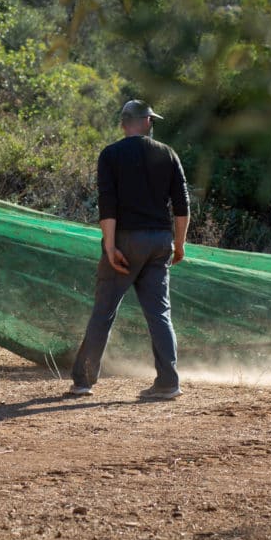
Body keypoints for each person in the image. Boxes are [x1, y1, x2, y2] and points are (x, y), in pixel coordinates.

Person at [69, 100, 190, 400]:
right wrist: (180, 243)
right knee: (160, 313)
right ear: (147, 122)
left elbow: (107, 204)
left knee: (104, 311)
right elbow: (182, 205)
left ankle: (84, 381)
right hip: (159, 241)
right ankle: (167, 383)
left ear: (124, 124)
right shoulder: (168, 154)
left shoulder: (111, 155)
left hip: (125, 240)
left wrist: (110, 247)